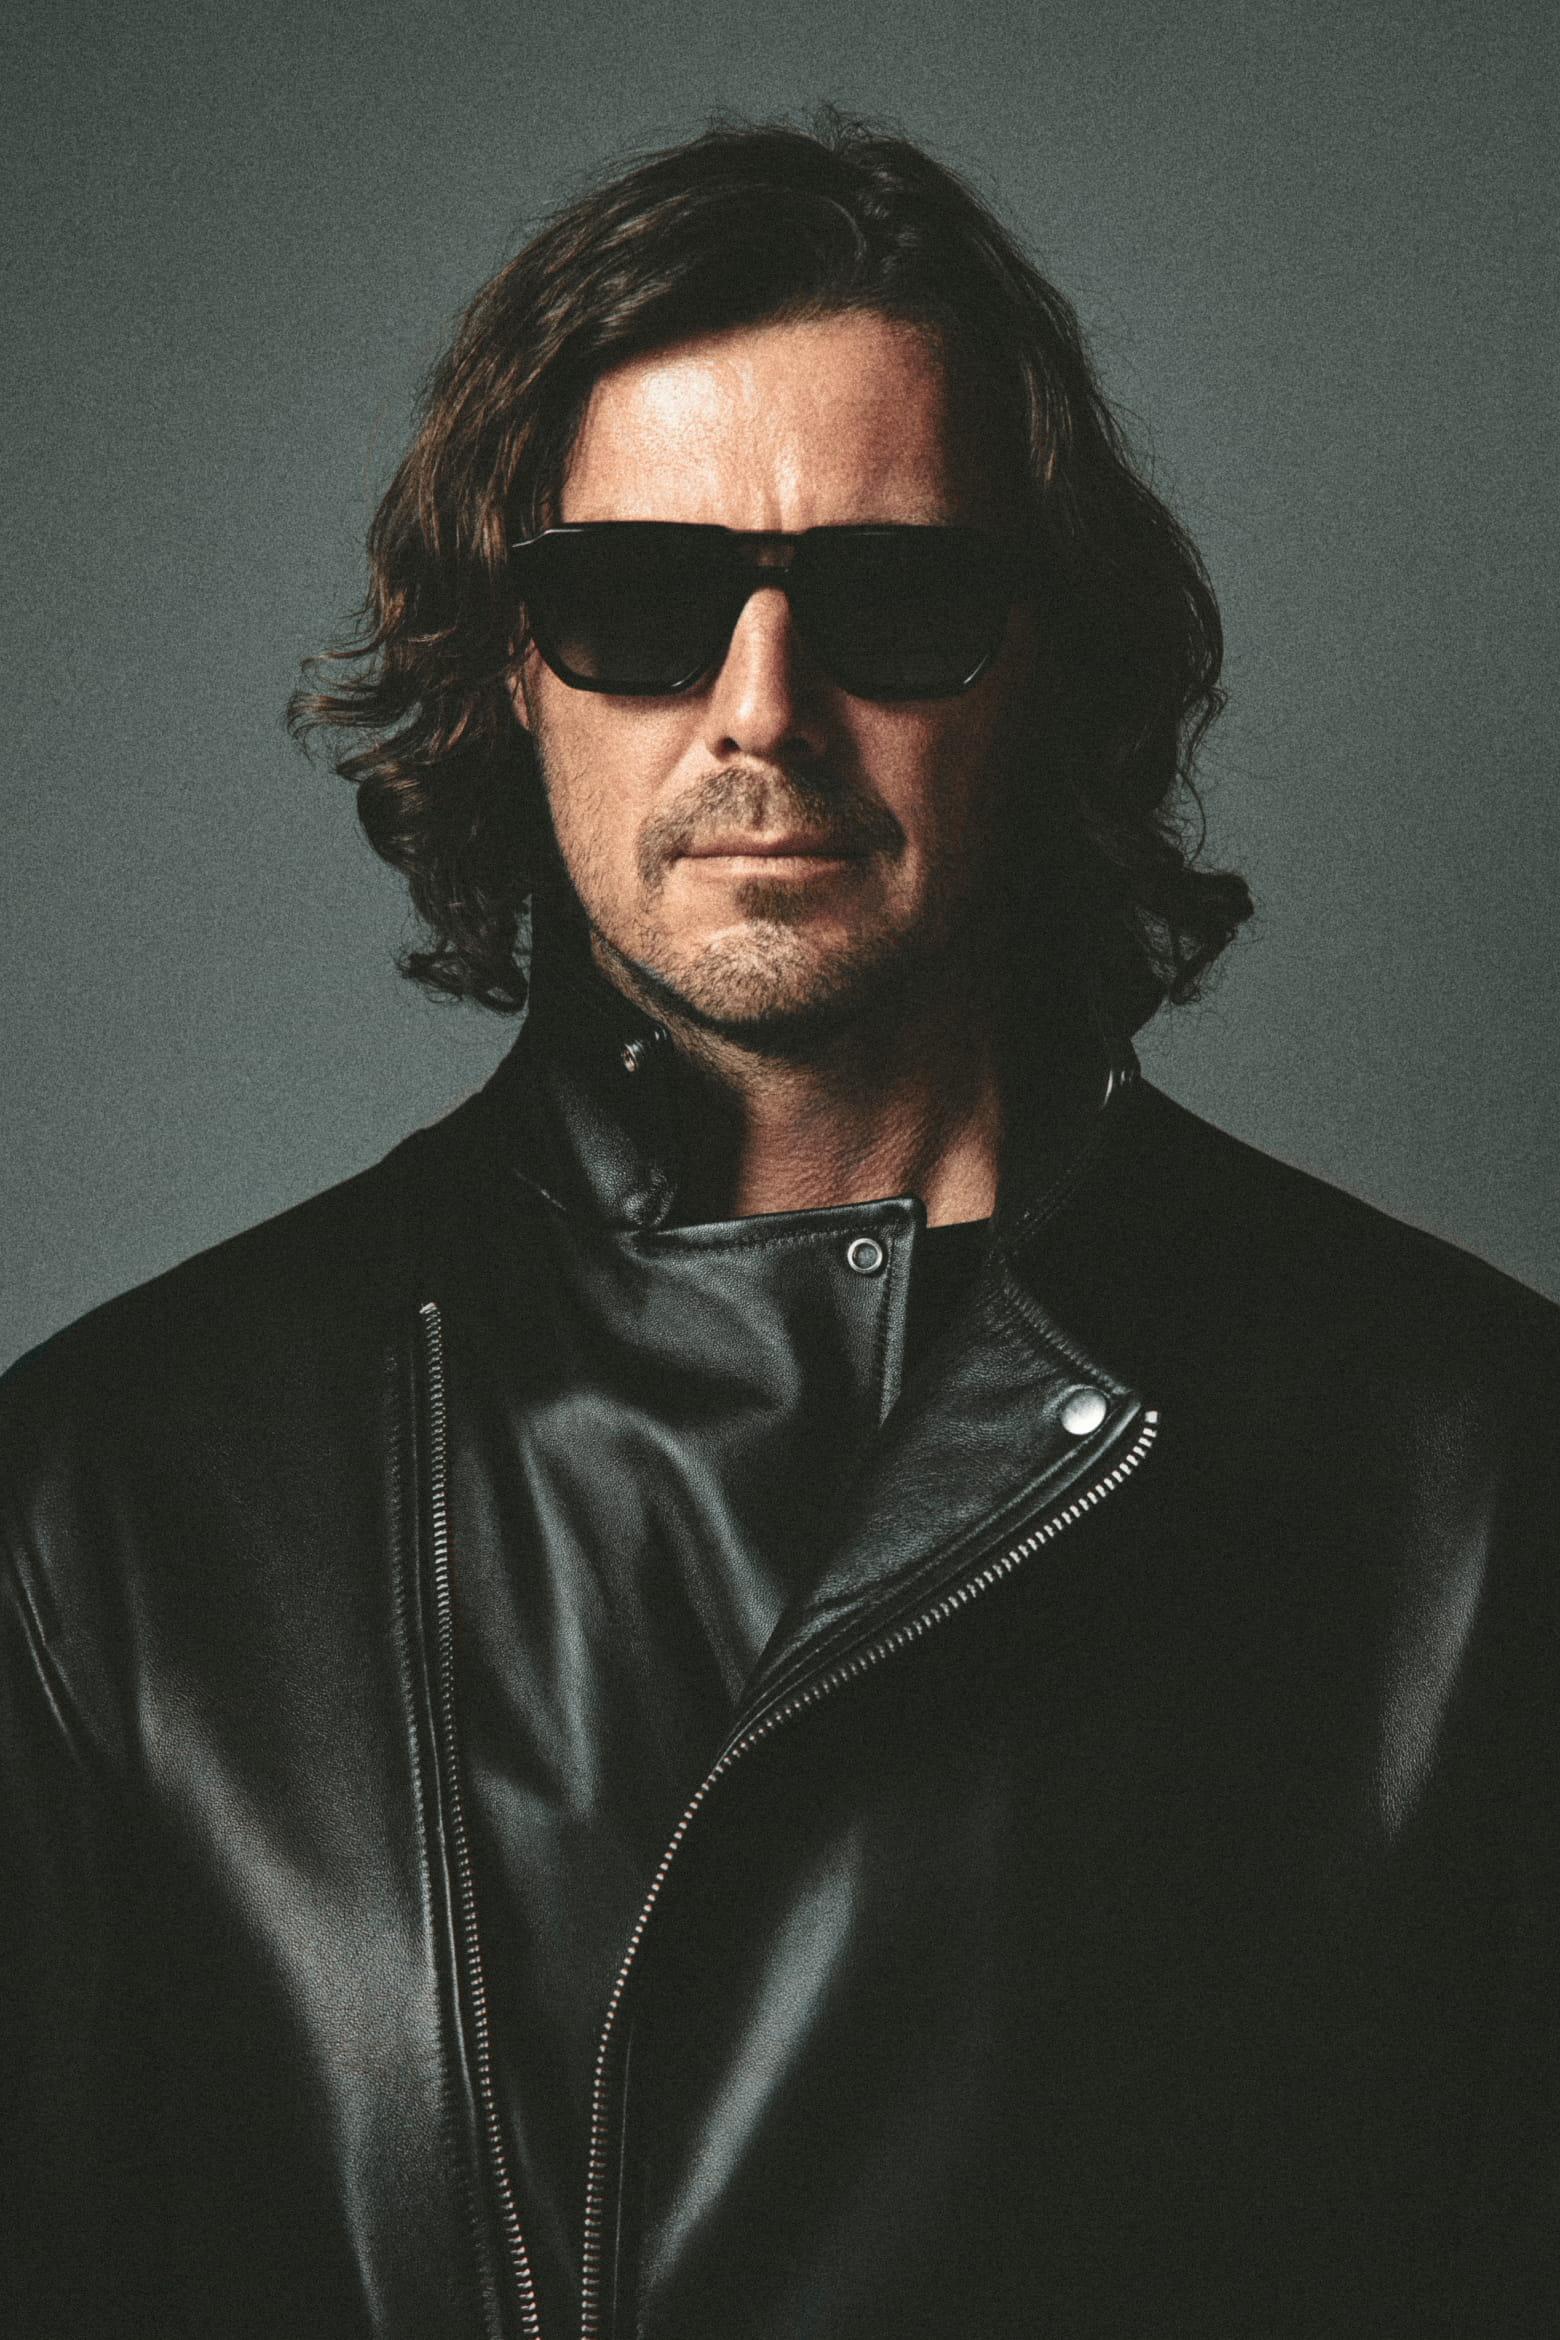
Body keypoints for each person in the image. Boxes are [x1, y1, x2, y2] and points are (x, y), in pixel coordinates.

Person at [3, 116, 1557, 2340]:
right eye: (635, 602)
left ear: (1043, 666)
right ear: (511, 665)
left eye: (892, 602)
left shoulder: (1472, 1478)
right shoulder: (127, 1503)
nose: (759, 709)